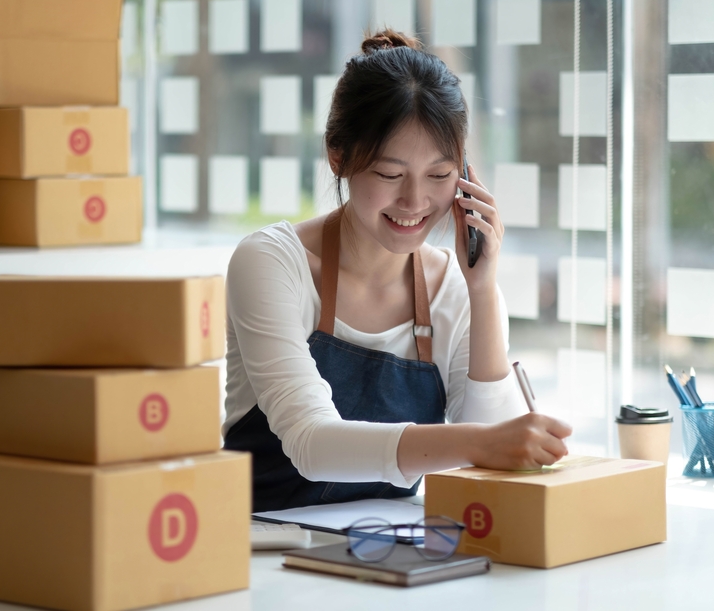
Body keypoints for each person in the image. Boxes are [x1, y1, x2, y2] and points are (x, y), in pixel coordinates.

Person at [223, 29, 572, 512]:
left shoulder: (453, 286)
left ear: (465, 176)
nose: (414, 201)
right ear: (338, 156)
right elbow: (311, 443)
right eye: (390, 175)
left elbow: (499, 454)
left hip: (388, 552)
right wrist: (474, 444)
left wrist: (482, 289)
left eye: (439, 175)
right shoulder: (271, 263)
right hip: (258, 553)